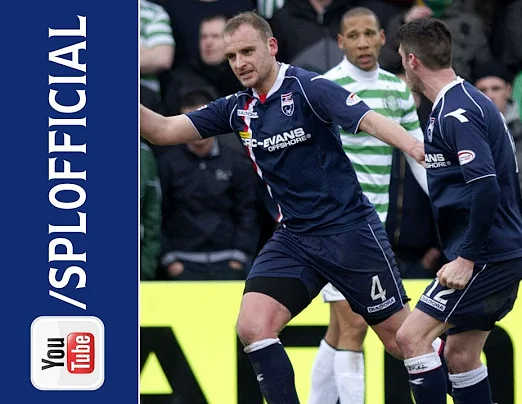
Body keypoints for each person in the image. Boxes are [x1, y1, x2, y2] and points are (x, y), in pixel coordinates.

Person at [138, 11, 426, 404]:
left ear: (271, 47)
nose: (240, 63)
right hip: (295, 239)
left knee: (402, 341)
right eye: (232, 56)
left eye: (247, 51)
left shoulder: (308, 87)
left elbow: (370, 120)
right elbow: (163, 130)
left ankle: (462, 376)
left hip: (349, 233)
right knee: (253, 326)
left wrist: (415, 147)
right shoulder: (236, 108)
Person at [393, 18, 522, 403]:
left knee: (411, 336)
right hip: (497, 250)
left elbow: (486, 185)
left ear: (411, 61)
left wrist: (468, 257)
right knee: (461, 355)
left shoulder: (459, 109)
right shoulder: (455, 104)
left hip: (488, 254)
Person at [308, 7, 428, 404]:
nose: (362, 42)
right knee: (355, 324)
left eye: (368, 34)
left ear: (382, 38)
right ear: (340, 42)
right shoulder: (327, 86)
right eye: (353, 35)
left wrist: (449, 204)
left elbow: (417, 156)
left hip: (371, 230)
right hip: (333, 225)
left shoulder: (396, 91)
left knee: (338, 330)